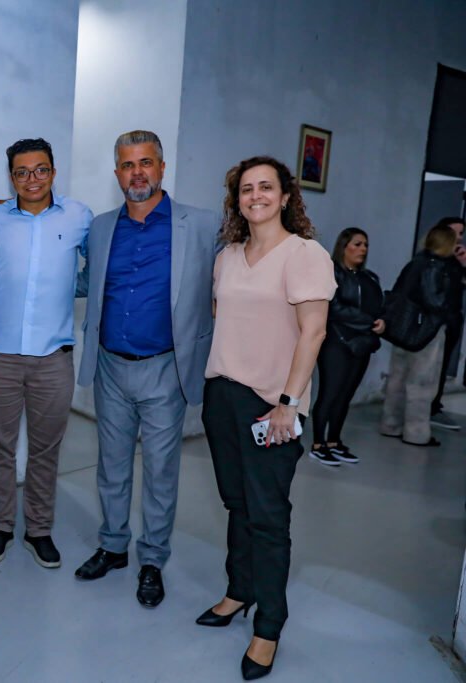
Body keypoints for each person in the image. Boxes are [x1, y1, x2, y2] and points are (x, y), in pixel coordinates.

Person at [199, 156, 334, 680]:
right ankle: (239, 590)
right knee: (237, 503)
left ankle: (269, 626)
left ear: (285, 196)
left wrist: (288, 402)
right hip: (222, 395)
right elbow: (223, 319)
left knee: (268, 517)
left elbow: (313, 332)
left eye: (266, 187)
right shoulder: (228, 256)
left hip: (271, 405)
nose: (255, 195)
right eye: (246, 189)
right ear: (237, 201)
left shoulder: (304, 254)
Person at [75, 130, 219, 608]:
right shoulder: (100, 228)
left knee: (160, 471)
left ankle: (152, 559)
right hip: (110, 367)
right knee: (111, 466)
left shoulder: (202, 225)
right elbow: (84, 282)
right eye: (127, 165)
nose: (137, 173)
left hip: (166, 369)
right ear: (117, 173)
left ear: (161, 167)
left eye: (145, 163)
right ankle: (113, 546)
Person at [0, 138, 91, 568]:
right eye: (22, 172)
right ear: (11, 177)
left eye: (41, 169)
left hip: (53, 358)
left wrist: (68, 288)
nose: (32, 179)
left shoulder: (78, 217)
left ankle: (39, 529)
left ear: (53, 172)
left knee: (46, 449)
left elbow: (96, 270)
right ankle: (0, 525)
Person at [309, 228, 384, 466]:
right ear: (344, 247)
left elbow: (379, 307)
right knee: (330, 393)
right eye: (357, 244)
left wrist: (382, 321)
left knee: (345, 395)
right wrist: (368, 320)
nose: (363, 249)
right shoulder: (331, 274)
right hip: (336, 343)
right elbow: (333, 308)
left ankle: (334, 441)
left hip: (362, 344)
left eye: (366, 245)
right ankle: (318, 444)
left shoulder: (370, 278)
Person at [380, 223, 459, 447]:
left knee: (397, 379)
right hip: (427, 331)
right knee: (422, 383)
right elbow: (436, 302)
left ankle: (390, 424)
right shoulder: (438, 267)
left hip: (402, 328)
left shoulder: (415, 262)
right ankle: (416, 433)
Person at [429, 216, 466, 431]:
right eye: (455, 232)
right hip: (435, 322)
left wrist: (463, 264)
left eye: (461, 234)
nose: (458, 238)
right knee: (429, 368)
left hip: (452, 320)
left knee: (442, 367)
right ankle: (427, 407)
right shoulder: (432, 261)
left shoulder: (455, 261)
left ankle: (434, 405)